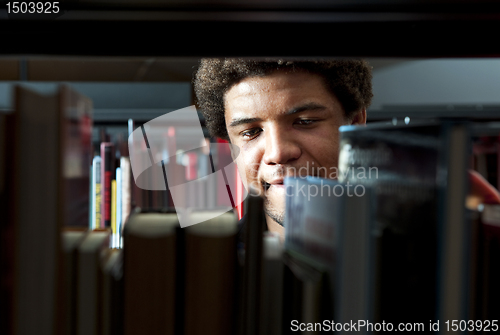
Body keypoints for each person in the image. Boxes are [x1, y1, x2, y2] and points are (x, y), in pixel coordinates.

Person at [193, 58, 500, 241]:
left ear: (356, 122)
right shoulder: (205, 270)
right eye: (251, 132)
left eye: (305, 121)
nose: (278, 152)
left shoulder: (431, 247)